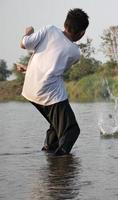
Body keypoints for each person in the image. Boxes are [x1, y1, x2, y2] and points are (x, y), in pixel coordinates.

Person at [17, 8, 89, 155]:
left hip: (30, 89)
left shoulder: (49, 29)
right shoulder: (75, 52)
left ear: (65, 23)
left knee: (57, 127)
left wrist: (28, 32)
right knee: (71, 130)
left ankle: (49, 154)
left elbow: (24, 44)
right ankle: (60, 166)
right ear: (82, 33)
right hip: (50, 94)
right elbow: (56, 67)